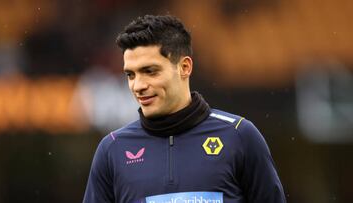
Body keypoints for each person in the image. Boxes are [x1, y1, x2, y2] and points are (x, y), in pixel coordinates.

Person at [83, 15, 286, 203]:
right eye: (131, 75)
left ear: (185, 67)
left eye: (150, 71)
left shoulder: (240, 135)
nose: (138, 86)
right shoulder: (112, 149)